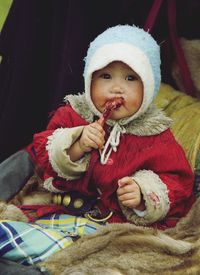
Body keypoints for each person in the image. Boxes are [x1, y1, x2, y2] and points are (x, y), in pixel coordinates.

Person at [0, 25, 195, 265]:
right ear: (89, 79)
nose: (116, 87)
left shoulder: (155, 135)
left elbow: (176, 181)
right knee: (24, 232)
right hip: (61, 211)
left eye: (131, 78)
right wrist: (77, 143)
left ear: (149, 85)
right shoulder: (74, 115)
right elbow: (45, 155)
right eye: (105, 76)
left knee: (80, 256)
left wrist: (142, 193)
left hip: (112, 228)